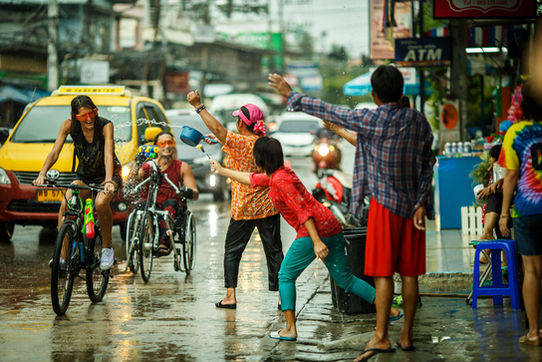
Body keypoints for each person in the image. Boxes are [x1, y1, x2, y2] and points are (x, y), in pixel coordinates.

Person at [269, 66, 434, 361]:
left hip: (384, 208)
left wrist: (291, 94)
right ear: (402, 91)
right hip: (413, 209)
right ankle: (406, 334)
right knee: (410, 275)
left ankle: (382, 337)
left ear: (374, 94)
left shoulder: (372, 118)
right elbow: (427, 163)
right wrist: (422, 202)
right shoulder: (418, 121)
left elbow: (329, 109)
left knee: (383, 275)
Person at [209, 137, 402, 341]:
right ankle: (390, 310)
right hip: (331, 225)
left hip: (313, 231)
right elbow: (252, 179)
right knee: (345, 279)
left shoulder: (281, 181)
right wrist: (222, 170)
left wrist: (317, 242)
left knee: (285, 275)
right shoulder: (280, 174)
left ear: (262, 158)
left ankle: (290, 329)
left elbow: (304, 212)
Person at [187, 90, 283, 309]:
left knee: (232, 252)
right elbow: (223, 137)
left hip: (244, 208)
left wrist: (199, 106)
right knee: (275, 253)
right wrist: (217, 140)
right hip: (268, 207)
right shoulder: (266, 142)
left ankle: (230, 296)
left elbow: (219, 129)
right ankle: (282, 297)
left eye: (238, 119)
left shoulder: (240, 142)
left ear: (241, 124)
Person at [34, 95, 122, 270]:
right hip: (84, 177)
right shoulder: (68, 126)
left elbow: (108, 154)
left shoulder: (105, 125)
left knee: (101, 203)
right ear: (75, 116)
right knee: (66, 205)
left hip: (109, 175)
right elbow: (54, 152)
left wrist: (107, 180)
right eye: (83, 116)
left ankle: (106, 249)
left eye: (91, 113)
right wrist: (42, 174)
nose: (89, 119)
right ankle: (63, 258)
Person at [498, 83, 542, 347]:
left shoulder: (514, 132)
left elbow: (511, 175)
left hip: (526, 209)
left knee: (532, 271)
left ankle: (534, 332)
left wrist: (504, 213)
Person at [136, 131, 199, 255]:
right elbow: (137, 177)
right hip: (151, 202)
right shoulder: (149, 166)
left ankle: (164, 241)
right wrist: (139, 164)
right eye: (162, 143)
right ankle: (142, 237)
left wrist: (188, 192)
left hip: (171, 205)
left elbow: (195, 193)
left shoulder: (182, 167)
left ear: (174, 145)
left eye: (170, 142)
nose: (167, 146)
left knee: (170, 205)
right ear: (156, 147)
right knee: (142, 206)